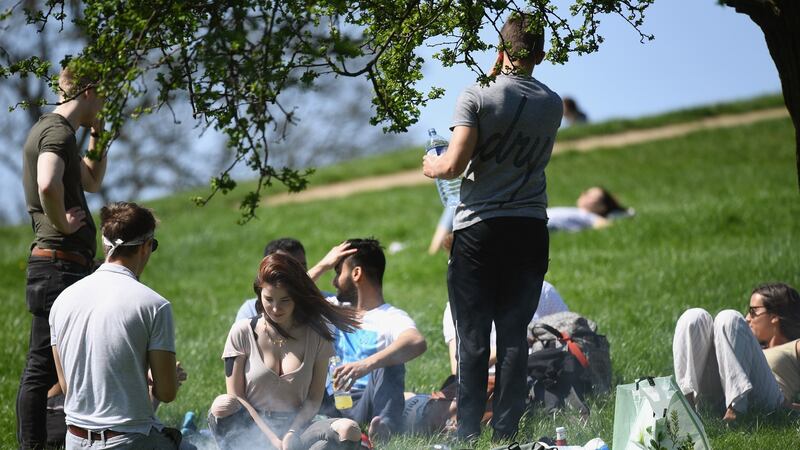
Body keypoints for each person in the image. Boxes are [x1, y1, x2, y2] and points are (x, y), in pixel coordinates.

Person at [422, 12, 561, 441]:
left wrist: (432, 164)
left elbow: (455, 163)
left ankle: (466, 433)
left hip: (480, 228)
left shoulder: (477, 95)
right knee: (514, 334)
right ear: (540, 54)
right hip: (529, 228)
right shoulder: (552, 102)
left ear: (498, 48)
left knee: (473, 337)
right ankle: (506, 432)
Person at [17, 63, 113, 448]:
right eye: (104, 94)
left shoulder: (62, 132)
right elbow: (46, 183)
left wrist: (99, 134)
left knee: (62, 360)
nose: (107, 101)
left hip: (65, 266)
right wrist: (63, 224)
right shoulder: (56, 132)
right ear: (89, 90)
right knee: (42, 365)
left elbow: (92, 181)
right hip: (57, 264)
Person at [50, 202, 187, 448]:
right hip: (128, 442)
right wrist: (167, 380)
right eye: (152, 246)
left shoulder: (62, 301)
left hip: (74, 440)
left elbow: (67, 385)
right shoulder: (155, 305)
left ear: (105, 245)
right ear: (146, 247)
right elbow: (166, 394)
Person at [209, 253, 363, 450]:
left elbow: (314, 398)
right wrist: (272, 440)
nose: (275, 308)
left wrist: (292, 433)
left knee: (348, 430)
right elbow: (236, 396)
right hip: (252, 428)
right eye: (269, 299)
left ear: (297, 298)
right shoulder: (242, 331)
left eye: (285, 300)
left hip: (299, 428)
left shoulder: (317, 335)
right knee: (223, 404)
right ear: (259, 294)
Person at [320, 238, 428, 442]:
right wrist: (323, 264)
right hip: (329, 401)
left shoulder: (390, 316)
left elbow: (416, 341)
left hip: (366, 401)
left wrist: (367, 364)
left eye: (337, 272)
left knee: (390, 361)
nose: (334, 281)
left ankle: (382, 428)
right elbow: (289, 295)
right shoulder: (331, 307)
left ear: (356, 273)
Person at [673, 282, 800, 422]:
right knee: (694, 317)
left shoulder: (794, 345)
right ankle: (687, 409)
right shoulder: (744, 344)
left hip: (766, 400)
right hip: (720, 394)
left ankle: (736, 411)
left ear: (774, 316)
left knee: (729, 318)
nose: (747, 318)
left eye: (753, 312)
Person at [442, 281, 568, 375]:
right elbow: (459, 369)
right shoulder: (460, 305)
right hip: (490, 381)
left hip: (544, 374)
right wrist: (514, 345)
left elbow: (570, 336)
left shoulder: (543, 291)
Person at [235, 238, 354, 321]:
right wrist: (322, 266)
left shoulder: (324, 301)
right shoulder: (250, 309)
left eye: (302, 266)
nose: (298, 272)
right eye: (288, 266)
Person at [546, 186, 632, 232]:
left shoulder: (589, 216)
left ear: (602, 207)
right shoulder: (580, 212)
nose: (583, 194)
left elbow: (604, 224)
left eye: (589, 195)